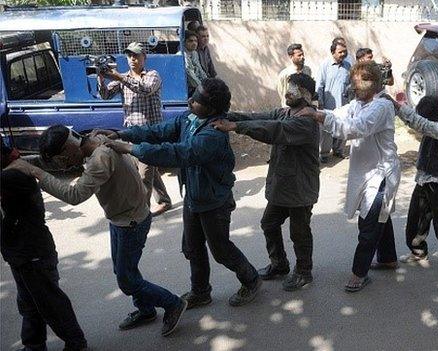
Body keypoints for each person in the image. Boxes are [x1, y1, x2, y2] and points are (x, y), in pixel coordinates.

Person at [7, 126, 187, 337]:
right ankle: (146, 310)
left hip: (131, 222)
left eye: (62, 159)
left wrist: (37, 173)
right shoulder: (96, 140)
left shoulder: (99, 159)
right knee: (125, 272)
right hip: (122, 218)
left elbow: (74, 195)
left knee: (127, 280)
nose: (64, 166)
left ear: (68, 148)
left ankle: (173, 303)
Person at [98, 78, 262, 308]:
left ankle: (251, 279)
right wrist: (123, 134)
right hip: (194, 196)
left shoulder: (214, 134)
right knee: (191, 248)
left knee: (221, 250)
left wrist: (131, 149)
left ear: (212, 109)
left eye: (197, 100)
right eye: (193, 95)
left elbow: (179, 153)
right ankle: (201, 291)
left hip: (214, 201)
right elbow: (158, 131)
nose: (190, 100)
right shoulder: (190, 118)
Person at [212, 73, 319, 291]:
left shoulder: (307, 121)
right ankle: (279, 264)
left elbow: (273, 130)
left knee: (299, 232)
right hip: (282, 187)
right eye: (288, 87)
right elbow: (258, 118)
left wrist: (235, 127)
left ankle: (304, 271)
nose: (288, 92)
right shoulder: (284, 112)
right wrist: (230, 116)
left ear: (307, 95)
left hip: (300, 189)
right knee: (269, 223)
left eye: (294, 89)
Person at [304, 61, 399, 292]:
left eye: (357, 84)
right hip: (366, 171)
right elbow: (337, 114)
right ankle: (388, 258)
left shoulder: (381, 107)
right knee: (379, 218)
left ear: (372, 84)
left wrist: (318, 117)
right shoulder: (358, 103)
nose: (352, 88)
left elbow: (356, 128)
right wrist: (316, 112)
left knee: (368, 223)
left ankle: (359, 273)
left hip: (380, 175)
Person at [1, 142, 88, 351]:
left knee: (50, 302)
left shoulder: (12, 175)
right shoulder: (11, 170)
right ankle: (34, 344)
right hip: (21, 252)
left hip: (33, 253)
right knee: (29, 303)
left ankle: (75, 342)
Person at [97, 42, 172, 216]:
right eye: (130, 55)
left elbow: (145, 90)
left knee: (144, 175)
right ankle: (164, 201)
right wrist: (101, 77)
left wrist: (120, 78)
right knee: (147, 168)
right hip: (131, 133)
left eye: (136, 55)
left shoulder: (152, 75)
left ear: (144, 57)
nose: (133, 59)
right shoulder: (122, 78)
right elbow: (105, 95)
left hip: (150, 133)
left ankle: (141, 213)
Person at [390, 96, 438, 266]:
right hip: (424, 180)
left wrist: (398, 107)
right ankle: (418, 252)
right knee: (416, 219)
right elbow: (422, 123)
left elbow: (422, 124)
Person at [316, 40, 352, 162]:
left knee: (343, 127)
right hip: (328, 105)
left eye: (344, 52)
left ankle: (338, 150)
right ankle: (324, 154)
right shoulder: (325, 65)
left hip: (344, 104)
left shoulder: (347, 66)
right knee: (326, 130)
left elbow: (350, 84)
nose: (343, 54)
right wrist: (320, 102)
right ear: (333, 52)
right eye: (340, 52)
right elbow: (319, 86)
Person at [184, 31, 208, 96]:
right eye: (190, 41)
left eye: (196, 41)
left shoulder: (194, 53)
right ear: (184, 42)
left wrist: (208, 83)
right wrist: (202, 88)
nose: (194, 43)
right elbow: (190, 76)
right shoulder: (182, 55)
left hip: (197, 87)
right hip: (187, 89)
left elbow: (200, 70)